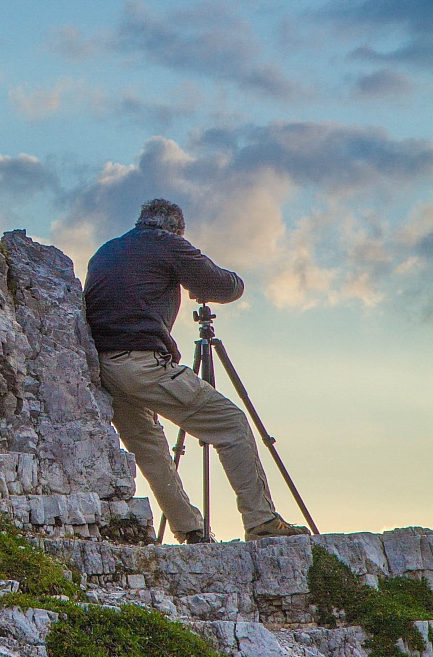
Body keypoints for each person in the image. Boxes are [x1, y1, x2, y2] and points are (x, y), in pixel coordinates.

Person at [84, 197, 310, 544]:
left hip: (103, 367)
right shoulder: (168, 245)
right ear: (177, 229)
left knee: (149, 446)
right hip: (143, 364)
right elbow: (221, 285)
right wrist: (225, 281)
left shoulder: (106, 251)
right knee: (230, 423)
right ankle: (261, 521)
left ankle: (189, 529)